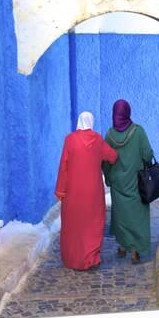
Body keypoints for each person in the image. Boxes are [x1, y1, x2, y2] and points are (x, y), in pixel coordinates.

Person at [55, 111, 118, 271]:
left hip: (73, 192)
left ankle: (73, 259)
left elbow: (64, 166)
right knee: (93, 223)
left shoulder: (70, 140)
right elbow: (112, 156)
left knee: (74, 225)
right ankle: (91, 258)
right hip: (93, 192)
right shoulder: (97, 139)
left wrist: (60, 190)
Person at [102, 99, 154, 264]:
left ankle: (123, 246)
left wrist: (109, 177)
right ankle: (135, 250)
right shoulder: (138, 132)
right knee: (137, 215)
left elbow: (104, 159)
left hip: (118, 183)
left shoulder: (109, 135)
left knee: (121, 215)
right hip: (136, 182)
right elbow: (147, 154)